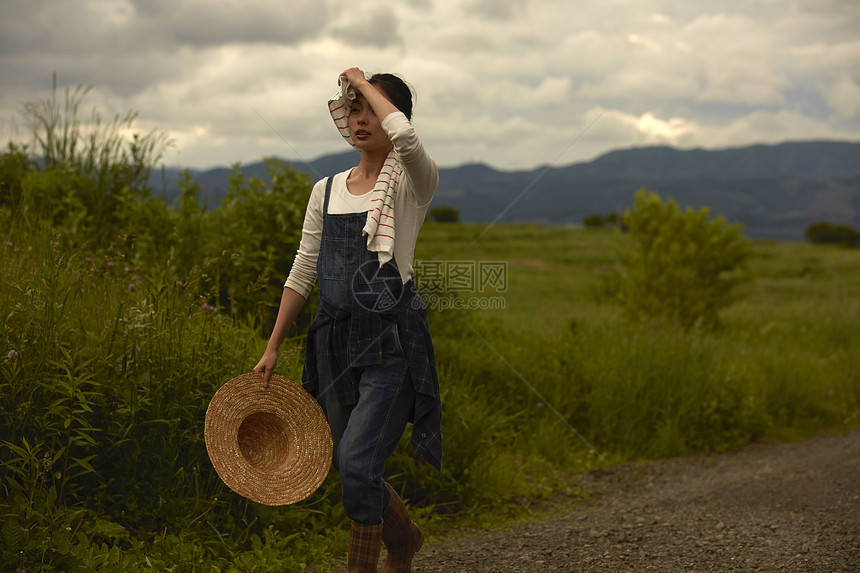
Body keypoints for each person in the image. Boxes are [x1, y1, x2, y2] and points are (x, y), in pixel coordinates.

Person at [253, 67, 441, 573]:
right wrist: (273, 346)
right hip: (334, 341)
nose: (361, 119)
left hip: (391, 343)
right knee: (352, 466)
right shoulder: (326, 189)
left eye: (372, 109)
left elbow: (404, 134)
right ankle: (404, 540)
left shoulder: (413, 184)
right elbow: (304, 267)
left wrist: (363, 79)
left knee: (359, 461)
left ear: (390, 114)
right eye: (353, 108)